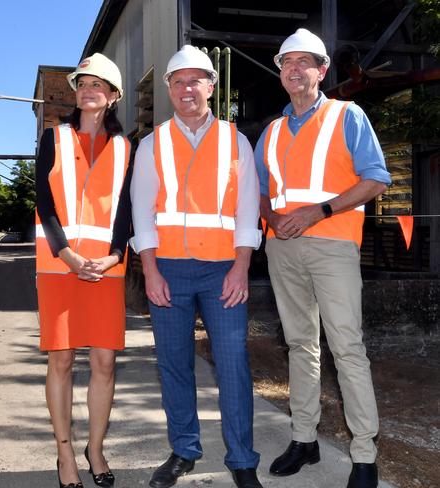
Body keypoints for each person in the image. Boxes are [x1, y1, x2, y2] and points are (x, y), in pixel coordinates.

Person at [254, 28, 392, 488]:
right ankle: (304, 438)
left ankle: (365, 454)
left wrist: (320, 210)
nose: (293, 69)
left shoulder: (346, 116)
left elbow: (375, 179)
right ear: (280, 71)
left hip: (333, 245)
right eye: (286, 62)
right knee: (300, 345)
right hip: (282, 248)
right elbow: (258, 193)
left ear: (322, 70)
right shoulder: (271, 131)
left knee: (347, 347)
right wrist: (271, 217)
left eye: (304, 62)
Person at [131, 45, 264, 488]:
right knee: (173, 365)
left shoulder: (235, 140)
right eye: (178, 81)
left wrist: (241, 267)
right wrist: (150, 271)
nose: (187, 89)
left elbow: (248, 210)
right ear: (169, 89)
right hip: (168, 269)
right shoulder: (152, 144)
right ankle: (184, 450)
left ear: (211, 86)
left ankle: (242, 459)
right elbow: (142, 211)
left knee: (232, 364)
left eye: (196, 80)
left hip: (223, 270)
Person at [35, 52, 132, 488]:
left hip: (106, 268)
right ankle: (65, 454)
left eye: (99, 85)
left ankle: (96, 448)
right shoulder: (53, 138)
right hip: (59, 266)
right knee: (61, 360)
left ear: (113, 97)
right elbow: (45, 201)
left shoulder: (127, 147)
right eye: (83, 84)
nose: (88, 90)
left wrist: (114, 256)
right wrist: (68, 255)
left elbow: (127, 212)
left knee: (105, 362)